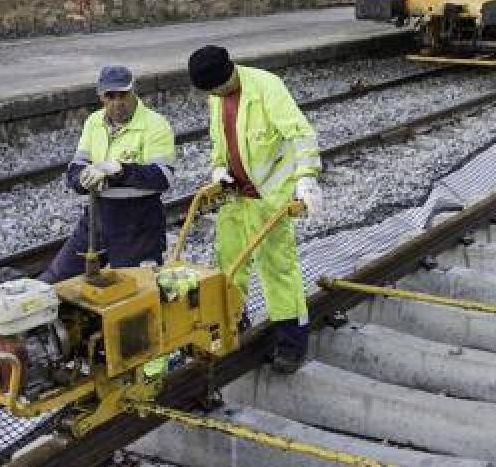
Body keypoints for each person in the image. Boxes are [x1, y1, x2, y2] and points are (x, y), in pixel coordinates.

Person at [188, 45, 323, 374]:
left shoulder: (267, 87)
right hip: (236, 199)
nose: (216, 96)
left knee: (278, 270)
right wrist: (219, 169)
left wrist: (306, 180)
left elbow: (300, 134)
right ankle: (234, 324)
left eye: (217, 89)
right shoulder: (216, 99)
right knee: (228, 266)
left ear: (228, 74)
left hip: (270, 200)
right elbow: (220, 143)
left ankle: (293, 341)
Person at [41, 64, 176, 283]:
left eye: (123, 94)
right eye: (110, 96)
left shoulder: (155, 125)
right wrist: (82, 178)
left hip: (138, 223)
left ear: (134, 92)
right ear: (101, 96)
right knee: (57, 278)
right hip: (98, 215)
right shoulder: (94, 122)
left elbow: (162, 177)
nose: (117, 102)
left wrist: (120, 171)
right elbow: (75, 167)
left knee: (137, 291)